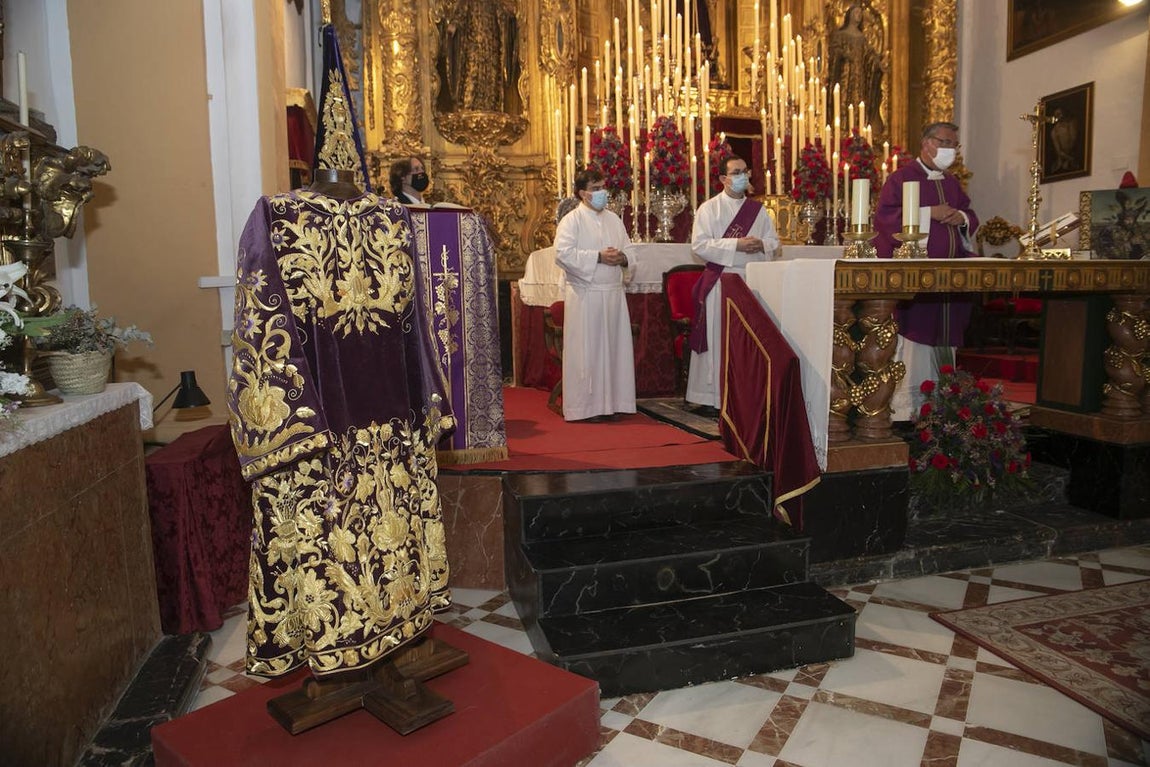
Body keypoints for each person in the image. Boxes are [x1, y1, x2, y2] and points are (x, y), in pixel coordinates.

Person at [228, 166, 456, 680]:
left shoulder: (386, 215)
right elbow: (266, 316)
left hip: (360, 426)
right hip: (335, 428)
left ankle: (388, 636)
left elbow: (412, 320)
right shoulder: (279, 214)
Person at [874, 121, 981, 420]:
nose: (951, 150)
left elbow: (970, 215)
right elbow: (884, 219)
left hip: (949, 278)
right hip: (917, 277)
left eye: (954, 145)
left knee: (946, 335)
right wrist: (928, 214)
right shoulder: (902, 179)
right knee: (916, 343)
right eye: (945, 142)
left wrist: (959, 216)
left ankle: (943, 403)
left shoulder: (952, 182)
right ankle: (908, 410)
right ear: (926, 143)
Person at [686, 155, 779, 417]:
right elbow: (700, 246)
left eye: (745, 171)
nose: (743, 176)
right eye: (736, 172)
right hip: (721, 281)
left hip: (749, 281)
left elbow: (774, 242)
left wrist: (760, 244)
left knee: (744, 339)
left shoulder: (758, 211)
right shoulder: (709, 209)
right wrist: (736, 244)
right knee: (718, 337)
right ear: (723, 179)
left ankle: (742, 393)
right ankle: (711, 396)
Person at [553, 168, 637, 422]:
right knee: (587, 352)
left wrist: (622, 258)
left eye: (603, 186)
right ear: (582, 193)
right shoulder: (572, 221)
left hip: (613, 295)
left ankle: (614, 403)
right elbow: (563, 254)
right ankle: (585, 408)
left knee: (614, 351)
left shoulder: (614, 219)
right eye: (596, 188)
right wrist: (599, 256)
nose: (603, 193)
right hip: (586, 295)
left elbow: (630, 251)